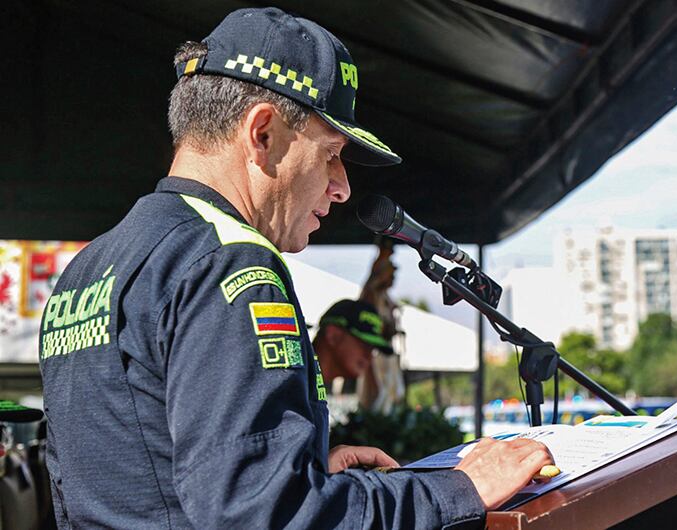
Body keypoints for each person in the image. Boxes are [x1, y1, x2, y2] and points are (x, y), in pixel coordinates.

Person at [38, 7, 551, 528]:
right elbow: (269, 514)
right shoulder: (230, 261)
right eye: (331, 153)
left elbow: (129, 482)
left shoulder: (90, 267)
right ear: (262, 133)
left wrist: (302, 472)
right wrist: (458, 488)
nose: (342, 186)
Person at [313, 299, 390, 385]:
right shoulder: (302, 384)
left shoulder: (310, 385)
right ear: (333, 335)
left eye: (372, 349)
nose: (369, 357)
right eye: (365, 345)